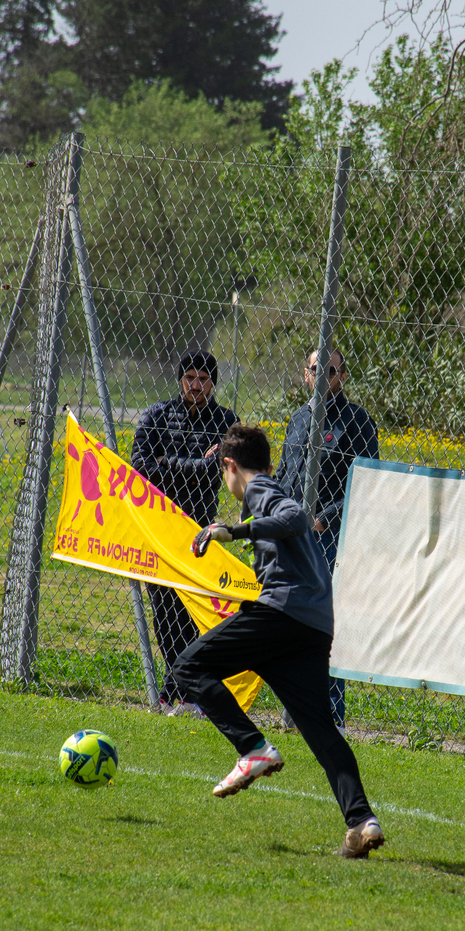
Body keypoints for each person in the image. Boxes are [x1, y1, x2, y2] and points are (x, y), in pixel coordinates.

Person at [172, 424, 386, 859]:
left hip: (284, 614)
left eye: (224, 473)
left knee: (189, 667)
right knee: (320, 730)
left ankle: (253, 749)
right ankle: (362, 822)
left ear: (229, 466)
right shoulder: (268, 488)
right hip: (312, 625)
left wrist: (233, 531)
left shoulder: (260, 490)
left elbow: (295, 518)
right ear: (269, 462)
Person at [273, 346, 379, 726]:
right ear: (306, 375)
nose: (322, 377)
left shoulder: (358, 422)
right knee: (288, 623)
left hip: (329, 539)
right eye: (316, 370)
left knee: (322, 625)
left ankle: (330, 714)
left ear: (343, 377)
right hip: (289, 536)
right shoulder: (298, 419)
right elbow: (285, 474)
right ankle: (294, 709)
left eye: (330, 371)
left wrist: (323, 518)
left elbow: (366, 483)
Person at [130, 351, 238, 713]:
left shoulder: (226, 422)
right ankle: (177, 688)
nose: (195, 385)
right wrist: (197, 465)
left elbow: (216, 472)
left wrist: (167, 464)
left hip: (198, 531)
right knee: (164, 615)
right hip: (159, 529)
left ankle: (182, 693)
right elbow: (141, 467)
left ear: (213, 383)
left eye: (203, 379)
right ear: (180, 380)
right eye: (189, 377)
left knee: (190, 613)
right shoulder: (156, 416)